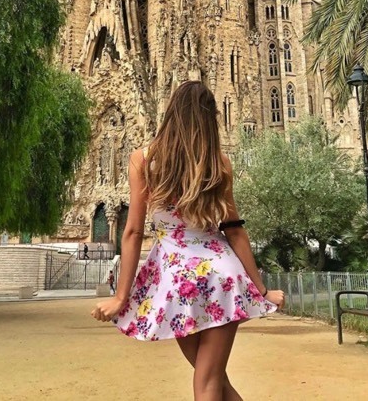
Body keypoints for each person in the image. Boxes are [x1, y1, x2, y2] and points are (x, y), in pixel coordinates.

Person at [91, 81, 285, 401]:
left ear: (171, 113)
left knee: (207, 379)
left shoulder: (144, 159)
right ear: (211, 119)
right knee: (213, 379)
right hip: (223, 274)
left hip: (177, 280)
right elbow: (233, 229)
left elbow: (133, 232)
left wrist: (120, 296)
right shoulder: (219, 162)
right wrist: (261, 290)